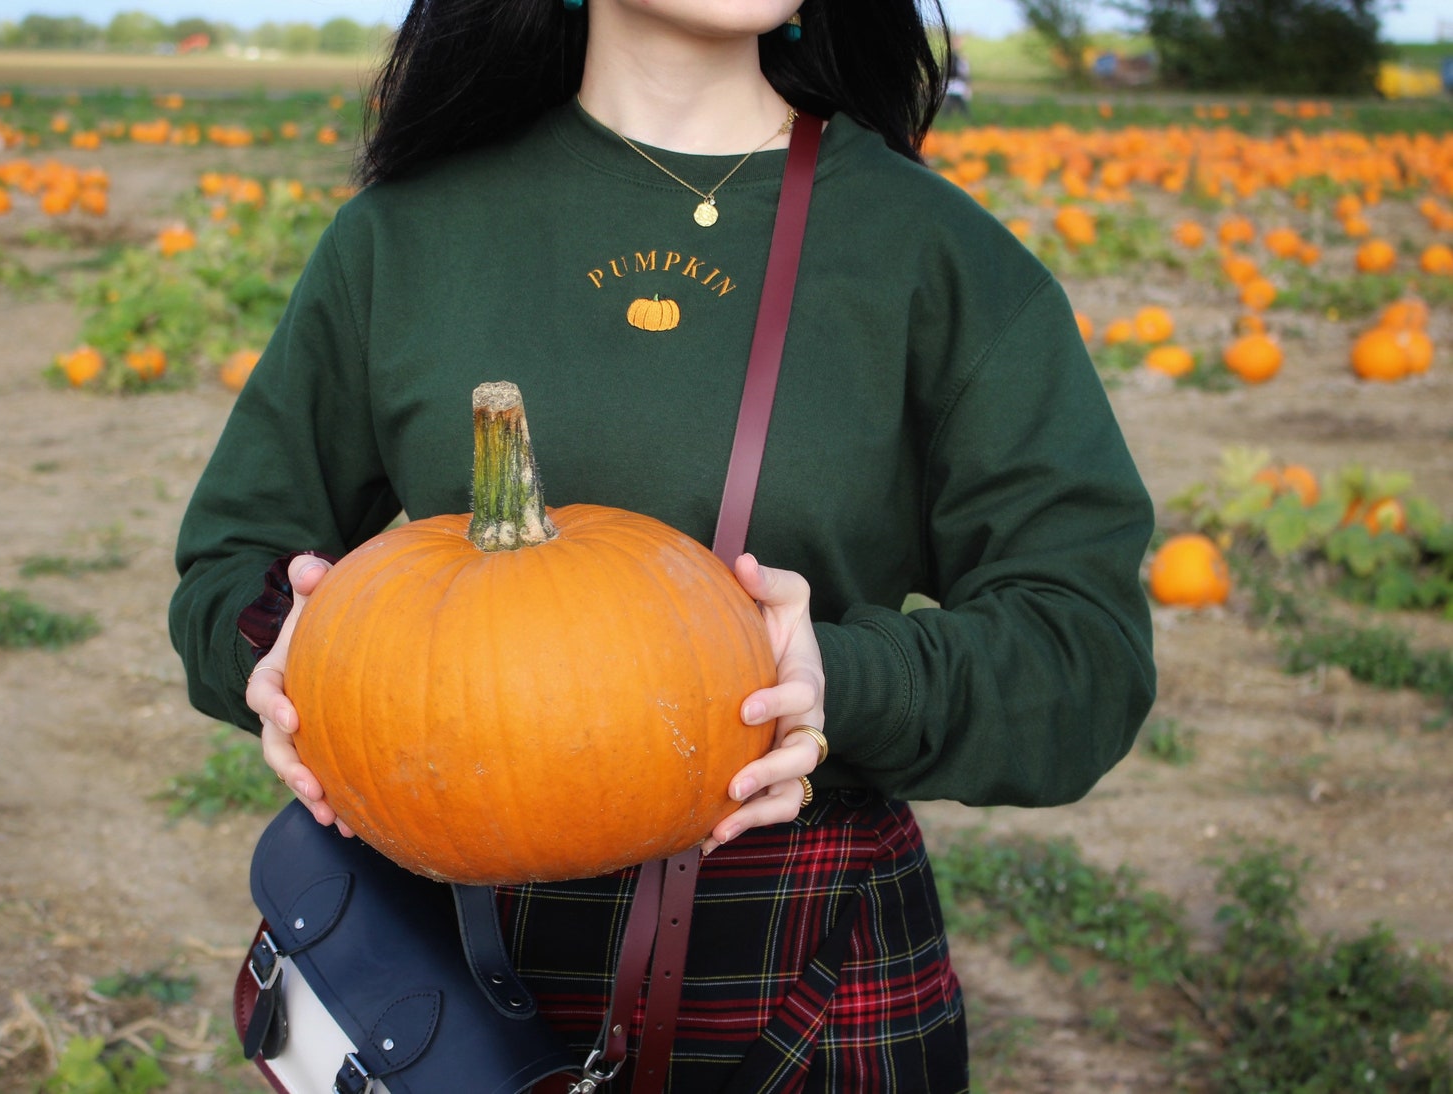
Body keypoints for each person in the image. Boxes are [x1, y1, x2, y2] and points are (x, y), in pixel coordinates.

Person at [168, 0, 1157, 1089]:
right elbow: (232, 565)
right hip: (458, 970)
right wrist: (288, 653)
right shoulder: (405, 235)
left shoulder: (937, 257)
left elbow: (1085, 656)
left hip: (809, 973)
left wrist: (835, 680)